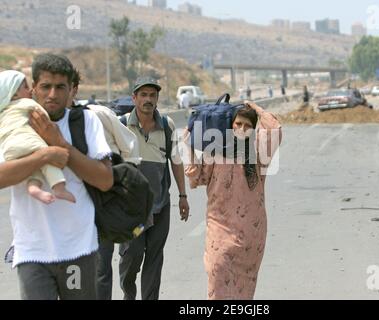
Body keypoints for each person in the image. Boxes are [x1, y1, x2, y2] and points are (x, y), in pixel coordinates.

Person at [0, 53, 113, 300]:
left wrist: (61, 144)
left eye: (60, 87)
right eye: (46, 86)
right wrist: (44, 157)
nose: (52, 94)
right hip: (32, 252)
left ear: (72, 89)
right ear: (33, 89)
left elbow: (105, 180)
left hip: (80, 249)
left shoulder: (86, 120)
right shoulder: (13, 121)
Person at [184, 101, 282, 300]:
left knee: (244, 291)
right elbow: (196, 177)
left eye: (248, 126)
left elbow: (275, 129)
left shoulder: (259, 154)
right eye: (238, 124)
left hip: (250, 233)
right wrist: (189, 145)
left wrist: (254, 107)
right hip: (219, 229)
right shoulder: (215, 151)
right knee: (216, 277)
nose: (242, 129)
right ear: (230, 125)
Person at [69, 70, 142, 300]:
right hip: (71, 209)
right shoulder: (48, 123)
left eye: (63, 86)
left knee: (101, 268)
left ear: (74, 89)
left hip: (103, 204)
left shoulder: (98, 114)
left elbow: (130, 146)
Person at [118, 77, 190, 300]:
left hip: (160, 207)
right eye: (143, 95)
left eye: (152, 95)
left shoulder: (166, 125)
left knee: (154, 259)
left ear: (157, 98)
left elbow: (176, 162)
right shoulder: (120, 124)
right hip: (131, 210)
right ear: (134, 98)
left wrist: (183, 195)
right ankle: (129, 294)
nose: (148, 99)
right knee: (132, 256)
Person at [0, 70, 75, 204]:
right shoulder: (25, 103)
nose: (30, 91)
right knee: (47, 156)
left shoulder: (4, 112)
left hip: (9, 150)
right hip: (26, 141)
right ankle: (59, 187)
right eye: (26, 87)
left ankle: (33, 188)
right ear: (15, 93)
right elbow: (43, 118)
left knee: (35, 166)